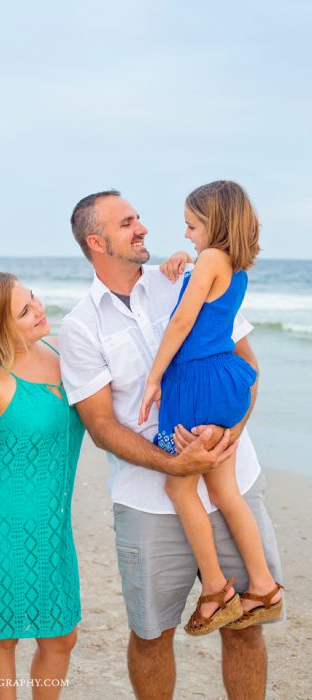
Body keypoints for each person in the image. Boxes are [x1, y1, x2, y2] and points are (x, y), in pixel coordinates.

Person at [58, 190, 284, 700]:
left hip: (232, 477)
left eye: (138, 217)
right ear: (97, 242)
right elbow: (100, 427)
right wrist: (176, 464)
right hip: (146, 502)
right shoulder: (79, 327)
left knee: (246, 627)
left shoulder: (185, 277)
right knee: (151, 633)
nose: (142, 228)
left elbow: (246, 370)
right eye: (127, 223)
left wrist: (231, 432)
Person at [138, 181, 283, 636]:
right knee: (223, 492)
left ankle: (217, 588)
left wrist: (154, 376)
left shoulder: (210, 259)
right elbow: (204, 305)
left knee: (180, 490)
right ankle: (263, 587)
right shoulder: (233, 264)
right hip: (224, 381)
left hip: (197, 383)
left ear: (214, 222)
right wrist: (184, 266)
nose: (187, 235)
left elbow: (183, 321)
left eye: (191, 225)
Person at [0, 272, 84, 700]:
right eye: (24, 311)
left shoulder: (62, 352)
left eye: (34, 298)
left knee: (61, 637)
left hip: (53, 528)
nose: (39, 309)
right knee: (3, 635)